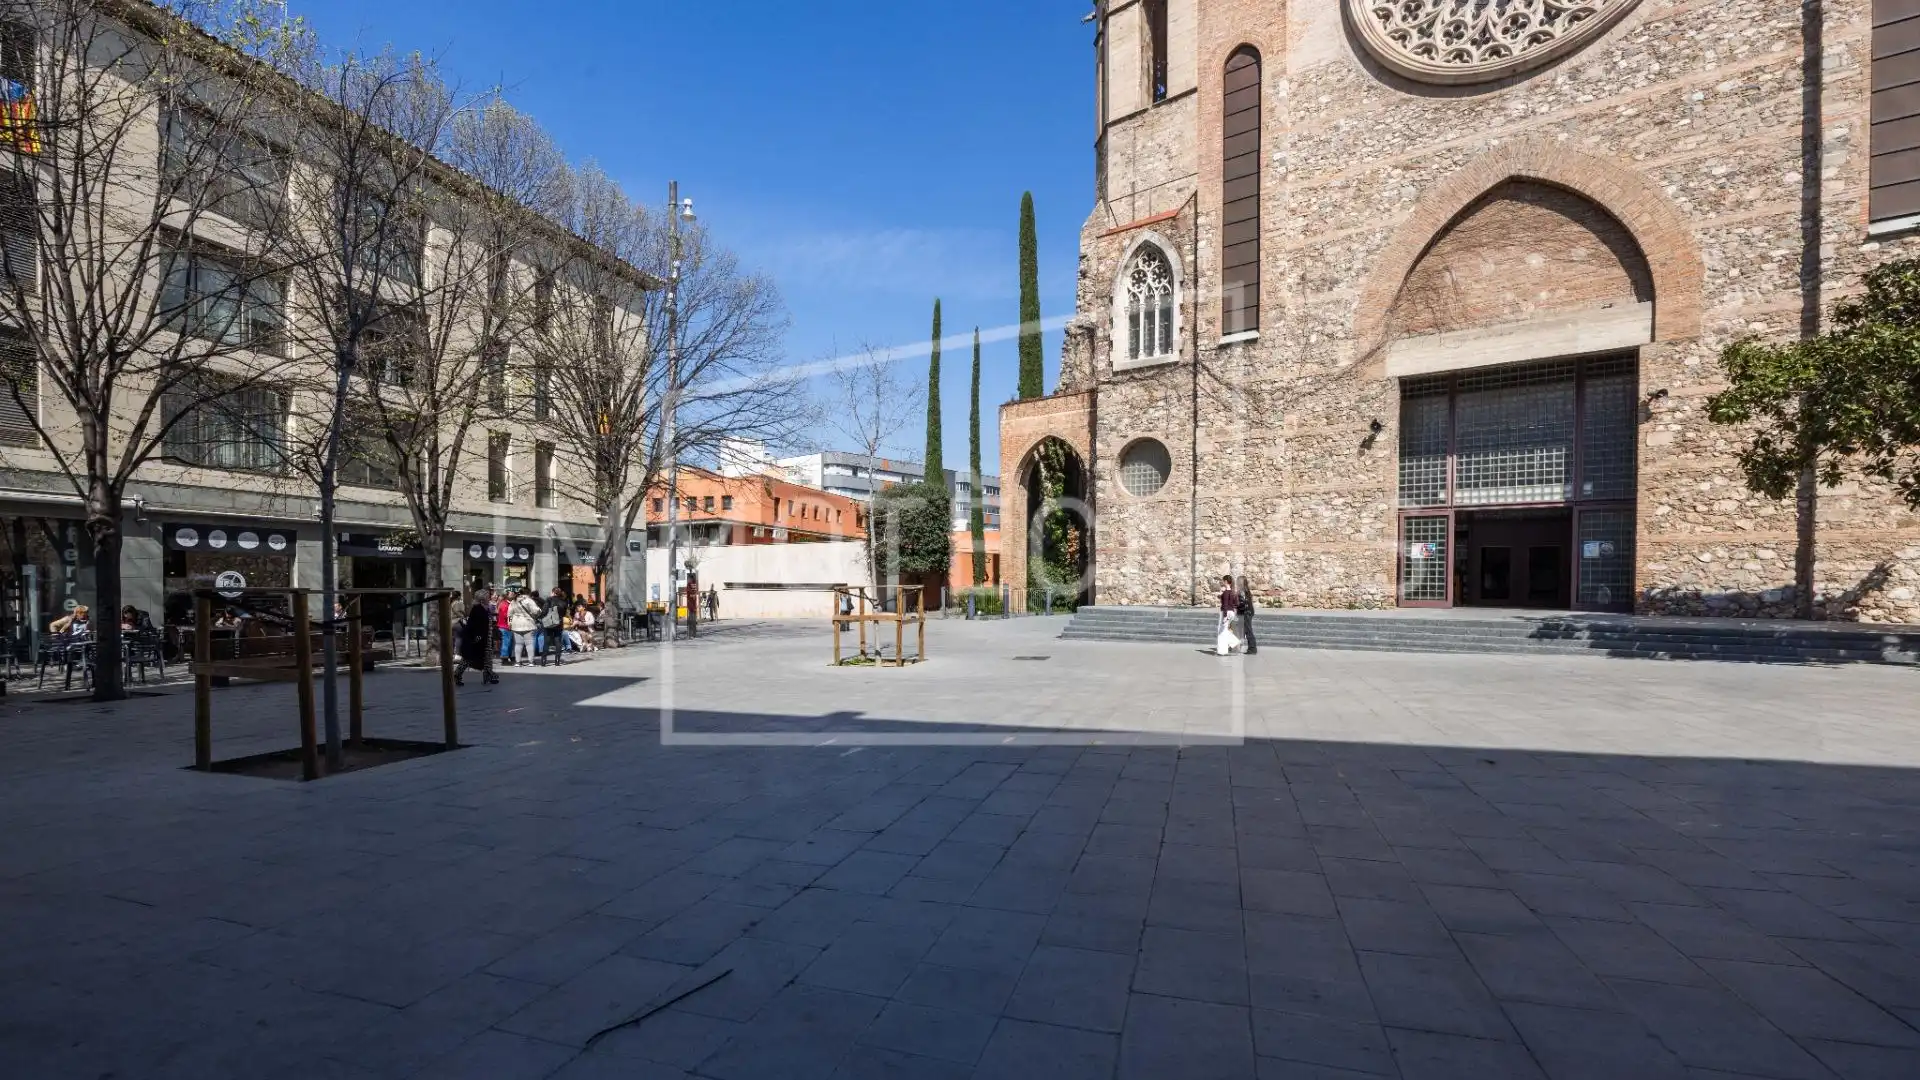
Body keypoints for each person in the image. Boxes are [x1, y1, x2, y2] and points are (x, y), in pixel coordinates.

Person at [455, 587, 499, 686]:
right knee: (468, 658)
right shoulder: (477, 609)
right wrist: (477, 636)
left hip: (487, 637)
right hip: (478, 638)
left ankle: (488, 676)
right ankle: (457, 674)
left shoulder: (486, 608)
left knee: (487, 658)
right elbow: (474, 624)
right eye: (488, 597)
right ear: (482, 599)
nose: (490, 598)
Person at [508, 588, 541, 667]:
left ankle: (518, 662)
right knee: (529, 644)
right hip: (528, 623)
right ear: (528, 593)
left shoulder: (513, 601)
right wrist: (539, 611)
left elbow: (509, 614)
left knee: (518, 644)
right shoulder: (529, 600)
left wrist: (510, 623)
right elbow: (536, 611)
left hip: (516, 624)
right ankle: (531, 662)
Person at [1216, 575, 1240, 656]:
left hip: (1225, 612)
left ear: (1226, 581)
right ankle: (1233, 642)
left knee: (1221, 631)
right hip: (1231, 612)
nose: (1222, 582)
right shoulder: (1233, 592)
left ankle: (1222, 650)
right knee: (1224, 630)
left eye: (1223, 581)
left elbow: (1225, 604)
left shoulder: (1226, 592)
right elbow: (1236, 604)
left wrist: (1225, 616)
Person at [1235, 574, 1257, 656]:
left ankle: (1252, 648)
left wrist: (1237, 608)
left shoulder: (1242, 592)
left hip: (1246, 613)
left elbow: (1242, 604)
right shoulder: (1246, 591)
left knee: (1248, 631)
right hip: (1248, 612)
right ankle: (1238, 646)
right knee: (1244, 631)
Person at [496, 592, 513, 662]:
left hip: (505, 626)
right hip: (505, 626)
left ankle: (508, 656)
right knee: (506, 642)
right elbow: (507, 616)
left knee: (507, 642)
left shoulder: (505, 604)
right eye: (511, 594)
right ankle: (504, 657)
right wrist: (511, 623)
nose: (513, 595)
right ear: (507, 596)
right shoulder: (505, 605)